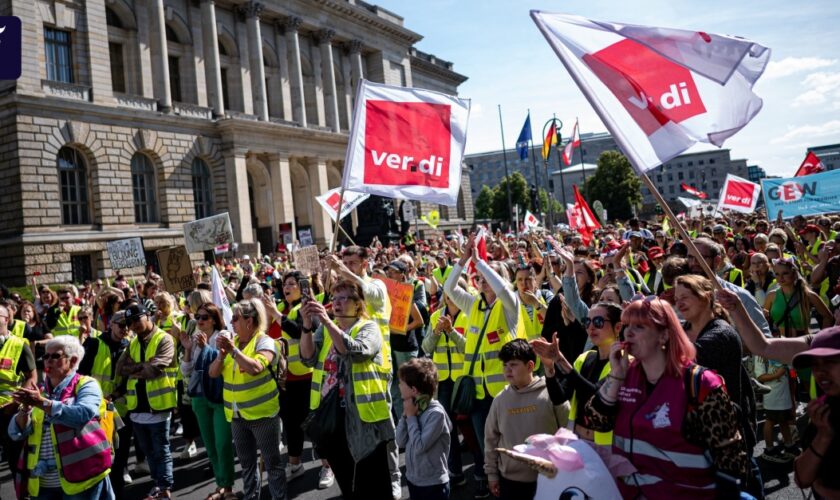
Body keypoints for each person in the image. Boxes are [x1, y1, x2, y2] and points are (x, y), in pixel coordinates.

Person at [583, 297, 749, 499]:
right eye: (626, 326)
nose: (628, 333)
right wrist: (616, 376)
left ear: (663, 336)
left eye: (640, 327)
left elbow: (732, 462)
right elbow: (595, 421)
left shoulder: (700, 383)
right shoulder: (624, 375)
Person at [443, 233, 523, 499]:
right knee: (485, 444)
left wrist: (483, 264)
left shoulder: (510, 305)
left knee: (510, 444)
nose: (482, 281)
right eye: (479, 279)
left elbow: (503, 289)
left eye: (488, 277)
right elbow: (449, 288)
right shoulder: (473, 304)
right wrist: (464, 260)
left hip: (505, 393)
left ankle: (515, 485)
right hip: (477, 394)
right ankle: (493, 484)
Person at [300, 280, 395, 499]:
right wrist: (307, 324)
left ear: (358, 304)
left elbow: (355, 351)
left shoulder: (369, 327)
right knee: (346, 480)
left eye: (344, 298)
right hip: (332, 416)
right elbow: (307, 358)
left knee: (373, 482)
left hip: (363, 418)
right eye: (334, 299)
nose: (337, 304)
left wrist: (326, 320)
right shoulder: (325, 329)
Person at [9, 336, 114, 499]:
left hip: (81, 480)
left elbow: (82, 415)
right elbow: (17, 433)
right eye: (45, 356)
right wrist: (25, 410)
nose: (48, 361)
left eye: (55, 356)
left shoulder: (86, 384)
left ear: (73, 361)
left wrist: (42, 403)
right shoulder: (40, 391)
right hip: (43, 483)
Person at [209, 298, 286, 500]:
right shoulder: (233, 343)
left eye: (235, 318)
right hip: (237, 415)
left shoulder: (264, 341)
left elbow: (256, 368)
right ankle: (251, 496)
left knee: (273, 464)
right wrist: (221, 355)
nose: (231, 323)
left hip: (262, 415)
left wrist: (233, 352)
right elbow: (213, 373)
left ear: (249, 321)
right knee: (246, 464)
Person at [484, 339, 567, 499]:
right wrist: (492, 474)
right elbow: (490, 440)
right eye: (505, 365)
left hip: (549, 478)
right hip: (510, 481)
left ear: (530, 366)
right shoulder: (500, 400)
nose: (507, 370)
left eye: (513, 365)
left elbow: (569, 430)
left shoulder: (552, 393)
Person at [532, 302, 623, 445]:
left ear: (618, 327)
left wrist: (560, 359)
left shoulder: (624, 362)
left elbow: (596, 396)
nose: (591, 327)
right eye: (587, 322)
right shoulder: (585, 358)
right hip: (577, 441)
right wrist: (549, 367)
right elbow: (559, 397)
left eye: (598, 322)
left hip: (607, 447)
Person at [116, 304, 177, 500]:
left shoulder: (164, 339)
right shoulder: (133, 343)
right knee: (149, 452)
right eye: (129, 322)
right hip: (137, 408)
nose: (133, 325)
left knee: (161, 450)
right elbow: (120, 368)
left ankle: (165, 487)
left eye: (136, 319)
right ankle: (158, 485)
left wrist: (138, 367)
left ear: (148, 316)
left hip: (158, 405)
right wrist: (143, 365)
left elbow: (154, 371)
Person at [180, 303, 236, 500]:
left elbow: (219, 366)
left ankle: (228, 487)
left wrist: (206, 348)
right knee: (210, 445)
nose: (200, 321)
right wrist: (188, 349)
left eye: (204, 317)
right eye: (197, 317)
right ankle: (220, 484)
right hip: (200, 398)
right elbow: (186, 371)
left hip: (220, 397)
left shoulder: (224, 336)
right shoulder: (195, 338)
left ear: (214, 319)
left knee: (222, 443)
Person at [78, 309, 134, 494]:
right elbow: (81, 374)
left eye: (128, 325)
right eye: (121, 325)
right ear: (111, 324)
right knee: (96, 454)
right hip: (94, 409)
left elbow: (129, 379)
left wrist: (116, 394)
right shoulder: (94, 343)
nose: (125, 329)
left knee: (120, 451)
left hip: (119, 408)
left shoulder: (130, 346)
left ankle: (116, 488)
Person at [421, 287, 471, 486]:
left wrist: (451, 332)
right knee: (447, 427)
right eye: (448, 292)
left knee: (470, 429)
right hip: (443, 382)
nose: (451, 296)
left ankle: (482, 473)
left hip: (465, 380)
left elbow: (469, 349)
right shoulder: (435, 316)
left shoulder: (469, 315)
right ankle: (456, 472)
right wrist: (436, 332)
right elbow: (426, 348)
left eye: (456, 291)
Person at [792, 326, 840, 498]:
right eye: (815, 365)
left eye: (830, 361)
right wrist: (823, 435)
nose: (820, 372)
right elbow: (802, 479)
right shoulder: (824, 410)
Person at [396, 358, 452, 500]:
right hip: (414, 479)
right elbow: (400, 441)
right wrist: (405, 417)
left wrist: (411, 418)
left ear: (414, 389)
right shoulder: (412, 408)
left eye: (401, 383)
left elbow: (420, 446)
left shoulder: (436, 414)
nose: (398, 385)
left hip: (433, 484)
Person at [0, 303, 39, 482]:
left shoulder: (18, 345)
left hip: (10, 411)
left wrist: (17, 402)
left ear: (6, 320)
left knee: (16, 459)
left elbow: (32, 376)